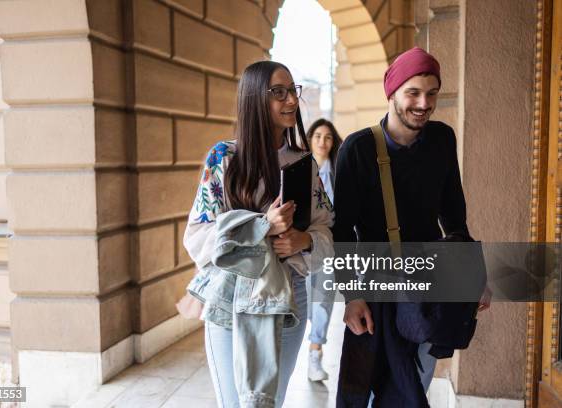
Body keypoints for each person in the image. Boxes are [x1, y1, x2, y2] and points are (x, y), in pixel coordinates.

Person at [332, 47, 490, 407]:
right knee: (364, 385)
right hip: (374, 289)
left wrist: (472, 276)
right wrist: (351, 296)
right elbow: (341, 234)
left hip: (427, 288)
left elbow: (454, 217)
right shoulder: (356, 150)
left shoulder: (441, 140)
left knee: (414, 381)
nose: (424, 103)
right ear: (392, 93)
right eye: (413, 93)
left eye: (432, 93)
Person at [183, 61, 334, 408]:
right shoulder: (224, 158)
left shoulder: (304, 164)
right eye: (277, 92)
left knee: (271, 402)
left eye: (292, 91)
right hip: (231, 296)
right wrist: (261, 226)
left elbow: (327, 228)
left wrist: (304, 240)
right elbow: (197, 237)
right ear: (254, 99)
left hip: (290, 296)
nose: (291, 101)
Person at [304, 118, 342, 381]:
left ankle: (315, 353)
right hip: (303, 246)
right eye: (318, 136)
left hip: (330, 248)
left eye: (328, 137)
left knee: (323, 299)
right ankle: (305, 342)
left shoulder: (339, 172)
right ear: (309, 139)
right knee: (304, 300)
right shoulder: (300, 169)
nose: (322, 141)